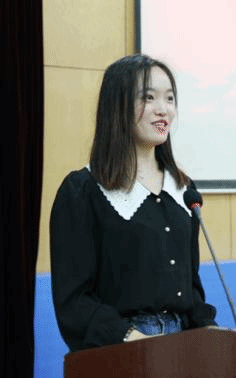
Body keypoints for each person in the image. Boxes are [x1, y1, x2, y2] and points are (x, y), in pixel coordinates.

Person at [50, 54, 217, 351]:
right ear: (117, 105)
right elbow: (74, 301)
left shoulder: (183, 189)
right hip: (121, 349)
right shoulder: (83, 190)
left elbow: (191, 288)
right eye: (148, 97)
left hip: (182, 346)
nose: (163, 109)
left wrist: (213, 335)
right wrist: (134, 339)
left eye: (169, 98)